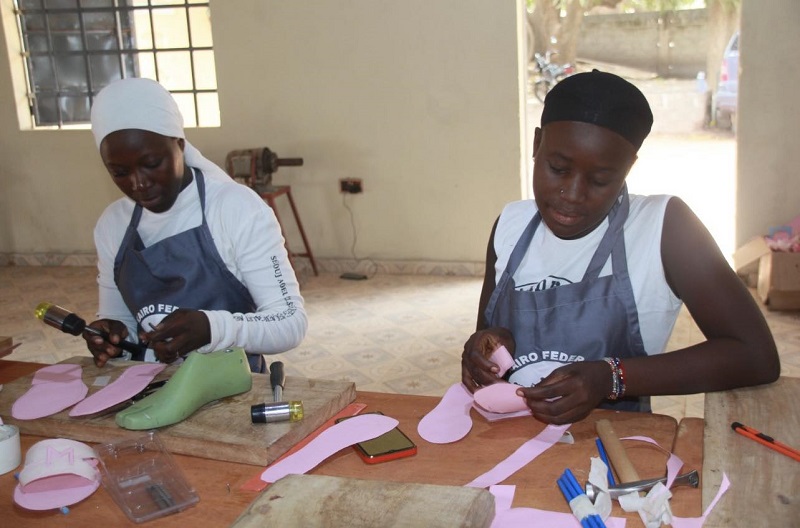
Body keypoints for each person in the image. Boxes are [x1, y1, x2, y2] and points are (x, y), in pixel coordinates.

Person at [461, 70, 780, 425]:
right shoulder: (511, 225)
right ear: (537, 145)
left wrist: (611, 377)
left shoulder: (664, 228)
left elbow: (755, 356)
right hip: (507, 440)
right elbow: (488, 339)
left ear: (628, 168)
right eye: (557, 168)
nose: (573, 194)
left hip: (611, 449)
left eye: (600, 180)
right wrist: (489, 344)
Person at [84, 77, 307, 373]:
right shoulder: (113, 225)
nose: (138, 183)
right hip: (149, 388)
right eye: (120, 172)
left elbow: (290, 322)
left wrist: (213, 328)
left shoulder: (235, 209)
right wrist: (112, 338)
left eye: (152, 163)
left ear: (179, 144)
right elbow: (120, 320)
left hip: (233, 392)